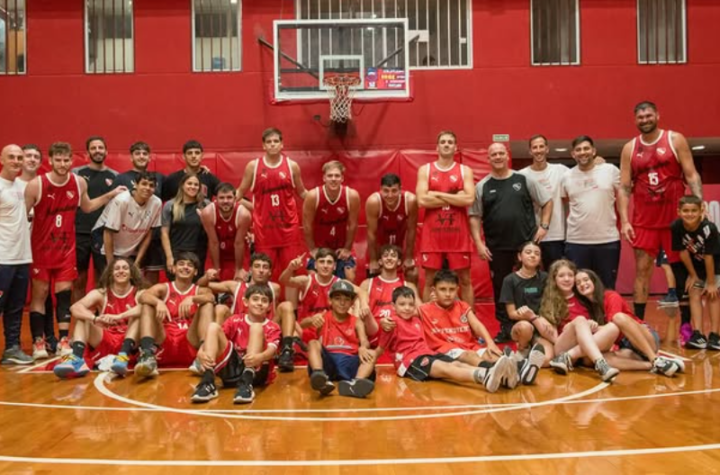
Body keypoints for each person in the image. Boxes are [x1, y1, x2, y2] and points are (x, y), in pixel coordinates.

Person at [25, 142, 126, 358]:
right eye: (58, 160)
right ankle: (38, 342)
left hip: (65, 249)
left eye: (66, 160)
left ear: (72, 160)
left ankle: (63, 340)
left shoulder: (78, 182)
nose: (62, 164)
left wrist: (110, 195)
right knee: (40, 294)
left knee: (64, 295)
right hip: (41, 249)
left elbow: (87, 207)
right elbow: (22, 217)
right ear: (50, 161)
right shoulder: (36, 185)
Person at [619, 101, 702, 324]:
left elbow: (691, 175)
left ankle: (687, 326)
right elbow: (624, 187)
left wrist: (700, 205)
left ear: (657, 115)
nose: (645, 120)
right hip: (644, 220)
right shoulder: (629, 148)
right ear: (635, 120)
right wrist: (625, 221)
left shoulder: (675, 139)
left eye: (648, 115)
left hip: (675, 219)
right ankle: (639, 324)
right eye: (640, 117)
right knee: (642, 271)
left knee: (682, 271)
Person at [469, 142, 552, 343]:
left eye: (501, 153)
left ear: (507, 156)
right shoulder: (482, 186)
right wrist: (479, 243)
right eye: (493, 154)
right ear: (488, 159)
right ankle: (506, 328)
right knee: (501, 289)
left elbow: (547, 201)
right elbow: (474, 215)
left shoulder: (524, 179)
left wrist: (544, 226)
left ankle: (536, 326)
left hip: (525, 245)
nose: (498, 157)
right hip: (497, 247)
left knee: (532, 286)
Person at [418, 269, 544, 387]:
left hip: (470, 345)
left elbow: (477, 325)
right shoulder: (423, 310)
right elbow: (407, 307)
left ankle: (520, 370)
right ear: (433, 290)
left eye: (451, 289)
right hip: (445, 350)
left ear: (457, 289)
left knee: (493, 355)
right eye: (442, 289)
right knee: (469, 355)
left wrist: (490, 343)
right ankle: (506, 370)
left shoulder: (462, 306)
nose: (447, 294)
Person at [376, 286, 515, 393]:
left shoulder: (416, 320)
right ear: (393, 306)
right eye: (402, 304)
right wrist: (383, 324)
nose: (407, 308)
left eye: (410, 304)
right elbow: (381, 347)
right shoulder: (391, 323)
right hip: (410, 362)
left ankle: (501, 376)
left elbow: (428, 309)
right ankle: (484, 376)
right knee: (446, 368)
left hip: (428, 353)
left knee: (457, 364)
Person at [575, 269, 685, 376]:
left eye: (586, 280)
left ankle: (654, 359)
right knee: (593, 359)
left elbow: (614, 327)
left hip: (644, 337)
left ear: (594, 281)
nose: (582, 284)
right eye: (578, 283)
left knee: (618, 317)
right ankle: (654, 365)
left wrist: (591, 328)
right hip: (626, 347)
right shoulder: (587, 308)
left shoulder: (611, 296)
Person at [234, 128, 308, 286]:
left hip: (288, 228)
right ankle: (264, 302)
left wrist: (320, 197)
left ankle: (292, 303)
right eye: (269, 142)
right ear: (263, 145)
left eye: (276, 141)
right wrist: (222, 199)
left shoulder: (292, 166)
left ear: (282, 144)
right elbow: (239, 192)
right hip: (264, 230)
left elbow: (302, 193)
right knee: (262, 272)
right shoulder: (253, 166)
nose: (272, 144)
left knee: (292, 272)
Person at [275, 248, 369, 372]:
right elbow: (284, 280)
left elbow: (362, 292)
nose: (325, 265)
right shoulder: (307, 280)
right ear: (315, 265)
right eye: (322, 262)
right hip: (305, 329)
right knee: (286, 306)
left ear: (334, 266)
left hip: (328, 332)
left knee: (356, 301)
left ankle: (354, 341)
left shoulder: (339, 283)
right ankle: (287, 351)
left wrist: (364, 305)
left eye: (329, 262)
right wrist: (290, 268)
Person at [53, 258, 143, 379]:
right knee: (83, 316)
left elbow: (148, 308)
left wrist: (120, 316)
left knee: (138, 316)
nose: (121, 271)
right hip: (106, 339)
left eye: (125, 268)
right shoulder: (102, 293)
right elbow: (75, 307)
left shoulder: (139, 293)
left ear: (131, 273)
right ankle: (77, 359)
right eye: (117, 269)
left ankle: (123, 356)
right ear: (111, 274)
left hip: (130, 341)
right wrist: (95, 319)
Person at [190, 285, 281, 404]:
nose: (259, 303)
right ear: (246, 302)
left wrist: (260, 357)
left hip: (257, 372)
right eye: (255, 299)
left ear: (269, 306)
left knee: (256, 327)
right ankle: (208, 381)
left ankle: (247, 383)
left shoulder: (273, 326)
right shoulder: (234, 320)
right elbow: (215, 339)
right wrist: (200, 352)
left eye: (264, 301)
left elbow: (272, 351)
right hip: (234, 370)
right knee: (213, 327)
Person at [133, 252, 215, 377]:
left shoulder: (200, 290)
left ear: (195, 272)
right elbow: (143, 296)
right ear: (174, 269)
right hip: (164, 339)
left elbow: (211, 297)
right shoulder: (164, 288)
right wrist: (158, 302)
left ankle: (204, 353)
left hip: (189, 340)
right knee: (147, 304)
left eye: (190, 265)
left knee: (207, 304)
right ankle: (147, 355)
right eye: (181, 264)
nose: (185, 267)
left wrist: (193, 298)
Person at [416, 131, 475, 304]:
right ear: (437, 147)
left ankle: (468, 317)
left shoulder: (465, 170)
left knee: (465, 280)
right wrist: (455, 196)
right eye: (443, 142)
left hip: (458, 235)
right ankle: (428, 317)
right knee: (429, 281)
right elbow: (422, 200)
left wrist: (436, 194)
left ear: (456, 147)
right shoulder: (425, 170)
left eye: (450, 142)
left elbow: (469, 199)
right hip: (433, 235)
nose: (446, 144)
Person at [539, 260, 620, 382]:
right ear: (554, 279)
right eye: (561, 276)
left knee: (613, 327)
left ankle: (570, 357)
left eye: (570, 275)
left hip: (585, 352)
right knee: (580, 320)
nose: (567, 279)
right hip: (562, 347)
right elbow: (554, 337)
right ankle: (601, 364)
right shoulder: (550, 301)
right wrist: (572, 327)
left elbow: (601, 327)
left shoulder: (583, 296)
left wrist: (593, 326)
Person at [561, 135, 622, 290]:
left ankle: (606, 308)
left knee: (607, 287)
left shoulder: (610, 171)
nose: (583, 152)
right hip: (576, 242)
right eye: (578, 150)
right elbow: (564, 200)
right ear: (573, 154)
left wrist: (626, 221)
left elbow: (625, 193)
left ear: (594, 151)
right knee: (579, 288)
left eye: (586, 148)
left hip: (607, 240)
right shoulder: (567, 176)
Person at [306, 280, 377, 398]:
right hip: (329, 362)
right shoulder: (323, 317)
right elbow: (302, 324)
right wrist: (311, 320)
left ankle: (356, 384)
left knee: (372, 353)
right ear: (330, 301)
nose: (342, 303)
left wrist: (363, 347)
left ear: (352, 303)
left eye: (346, 299)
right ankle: (319, 375)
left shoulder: (357, 321)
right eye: (338, 299)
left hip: (350, 362)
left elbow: (364, 340)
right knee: (313, 343)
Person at [19, 145, 58, 356]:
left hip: (40, 248)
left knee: (44, 294)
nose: (32, 159)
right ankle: (13, 343)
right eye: (28, 156)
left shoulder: (46, 184)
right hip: (14, 248)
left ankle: (48, 338)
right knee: (13, 297)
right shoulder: (11, 185)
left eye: (36, 156)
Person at [112, 141, 166, 284]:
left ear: (150, 157)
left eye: (144, 153)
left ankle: (149, 299)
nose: (141, 156)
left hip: (152, 236)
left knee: (152, 277)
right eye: (137, 153)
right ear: (131, 157)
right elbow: (112, 207)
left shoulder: (159, 178)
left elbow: (181, 185)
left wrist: (198, 171)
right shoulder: (121, 178)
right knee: (131, 277)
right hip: (129, 238)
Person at [72, 136, 119, 301]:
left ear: (106, 151)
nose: (97, 151)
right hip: (80, 232)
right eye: (93, 148)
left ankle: (101, 313)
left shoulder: (115, 176)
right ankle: (78, 313)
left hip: (103, 233)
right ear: (87, 152)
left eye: (100, 148)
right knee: (79, 278)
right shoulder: (77, 174)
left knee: (103, 277)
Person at [671, 195, 720, 350]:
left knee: (713, 294)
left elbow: (709, 256)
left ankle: (715, 335)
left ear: (701, 211)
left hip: (715, 265)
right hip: (696, 266)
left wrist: (711, 283)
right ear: (679, 212)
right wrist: (693, 275)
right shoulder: (676, 226)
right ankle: (698, 334)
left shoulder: (709, 228)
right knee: (694, 291)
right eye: (686, 211)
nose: (690, 214)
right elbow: (683, 252)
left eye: (694, 210)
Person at [0, 144, 33, 364]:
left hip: (23, 257)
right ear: (2, 159)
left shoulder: (25, 187)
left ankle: (12, 348)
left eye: (19, 158)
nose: (16, 161)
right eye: (11, 157)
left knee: (16, 307)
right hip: (2, 258)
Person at [303, 160, 361, 281]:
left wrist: (347, 248)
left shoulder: (351, 195)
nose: (333, 179)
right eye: (330, 176)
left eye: (337, 176)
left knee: (350, 277)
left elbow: (353, 224)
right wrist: (312, 249)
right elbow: (307, 225)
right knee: (312, 279)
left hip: (341, 248)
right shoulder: (313, 196)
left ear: (342, 178)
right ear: (324, 178)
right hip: (321, 248)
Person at [92, 171, 162, 269]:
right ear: (135, 184)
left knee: (129, 276)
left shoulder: (156, 203)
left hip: (129, 245)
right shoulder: (121, 200)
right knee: (108, 276)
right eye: (144, 184)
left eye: (151, 185)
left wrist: (137, 261)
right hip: (104, 240)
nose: (147, 188)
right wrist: (111, 265)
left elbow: (149, 234)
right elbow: (108, 233)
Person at [519, 135, 569, 270]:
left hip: (556, 234)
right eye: (534, 147)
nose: (538, 150)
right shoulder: (521, 175)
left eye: (541, 146)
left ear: (547, 149)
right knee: (531, 273)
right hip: (530, 235)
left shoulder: (561, 170)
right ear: (530, 151)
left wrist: (597, 163)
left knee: (554, 273)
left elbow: (579, 174)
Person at [499, 241, 552, 363]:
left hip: (539, 324)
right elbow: (512, 314)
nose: (533, 255)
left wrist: (540, 319)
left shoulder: (545, 278)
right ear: (520, 256)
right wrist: (529, 316)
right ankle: (523, 349)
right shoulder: (509, 280)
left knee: (546, 360)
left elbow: (549, 305)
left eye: (537, 253)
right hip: (519, 325)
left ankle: (527, 358)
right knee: (525, 327)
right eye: (528, 252)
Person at [359, 244, 419, 343]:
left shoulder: (408, 286)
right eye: (386, 255)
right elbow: (358, 314)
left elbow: (420, 311)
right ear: (380, 261)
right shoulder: (367, 284)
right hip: (374, 334)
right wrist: (363, 341)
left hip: (399, 335)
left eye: (393, 255)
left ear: (399, 262)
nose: (389, 258)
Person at [365, 173, 419, 283]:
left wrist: (409, 257)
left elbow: (412, 230)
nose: (390, 195)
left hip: (400, 248)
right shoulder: (374, 202)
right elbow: (371, 233)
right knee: (373, 273)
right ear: (380, 190)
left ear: (400, 190)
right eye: (386, 191)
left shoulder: (410, 201)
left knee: (412, 274)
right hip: (379, 249)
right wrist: (373, 259)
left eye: (394, 191)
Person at [199, 253, 281, 325]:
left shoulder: (275, 288)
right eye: (257, 266)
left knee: (285, 306)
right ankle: (216, 336)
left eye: (265, 267)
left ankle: (286, 338)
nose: (261, 270)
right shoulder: (235, 286)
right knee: (220, 308)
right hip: (238, 330)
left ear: (270, 271)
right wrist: (206, 277)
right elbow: (200, 286)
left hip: (266, 331)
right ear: (250, 270)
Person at [161, 174, 209, 279]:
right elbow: (164, 233)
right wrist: (169, 257)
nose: (193, 187)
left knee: (195, 286)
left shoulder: (205, 205)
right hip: (176, 253)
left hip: (197, 254)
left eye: (196, 184)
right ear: (182, 185)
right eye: (189, 183)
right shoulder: (170, 205)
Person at [199, 182, 251, 282]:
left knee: (239, 283)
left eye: (229, 197)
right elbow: (213, 242)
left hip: (238, 252)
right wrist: (216, 269)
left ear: (235, 199)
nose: (225, 201)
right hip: (216, 251)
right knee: (212, 281)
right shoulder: (207, 213)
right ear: (215, 199)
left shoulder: (244, 214)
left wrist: (238, 269)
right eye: (222, 198)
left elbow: (239, 243)